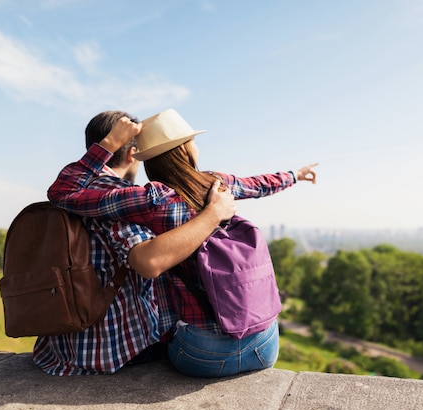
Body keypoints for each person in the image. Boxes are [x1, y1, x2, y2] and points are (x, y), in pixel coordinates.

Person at [47, 108, 318, 377]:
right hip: (265, 343)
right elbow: (257, 185)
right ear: (186, 151)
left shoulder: (148, 199)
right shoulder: (218, 184)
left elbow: (61, 192)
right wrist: (294, 175)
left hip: (200, 354)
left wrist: (106, 146)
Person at [33, 111, 236, 376]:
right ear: (132, 153)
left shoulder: (77, 191)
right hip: (110, 350)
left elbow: (59, 190)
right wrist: (213, 215)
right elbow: (149, 262)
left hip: (59, 347)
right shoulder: (113, 195)